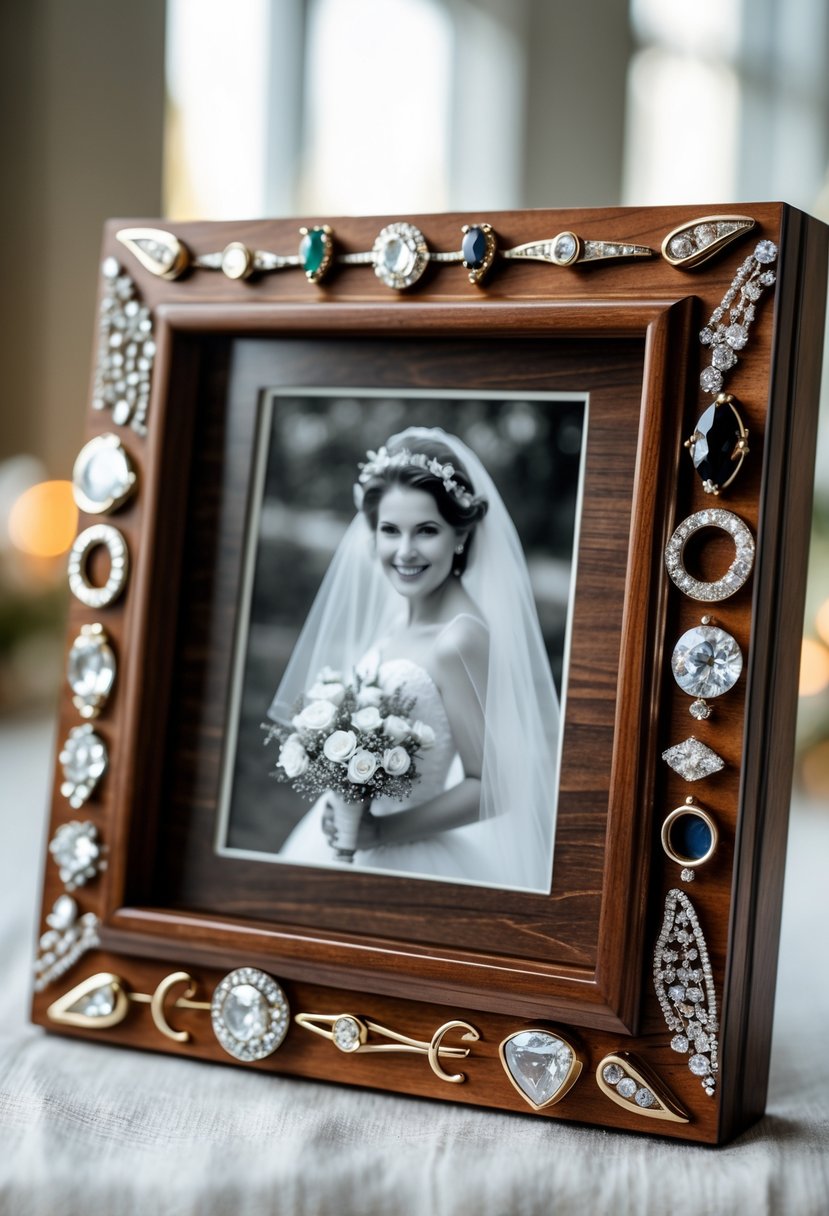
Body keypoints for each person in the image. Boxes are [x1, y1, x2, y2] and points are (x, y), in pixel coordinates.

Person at [266, 426, 561, 892]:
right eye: (390, 530)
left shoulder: (459, 639)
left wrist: (380, 832)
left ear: (460, 534)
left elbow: (493, 787)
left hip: (406, 859)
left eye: (426, 531)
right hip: (342, 841)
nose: (404, 552)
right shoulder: (399, 615)